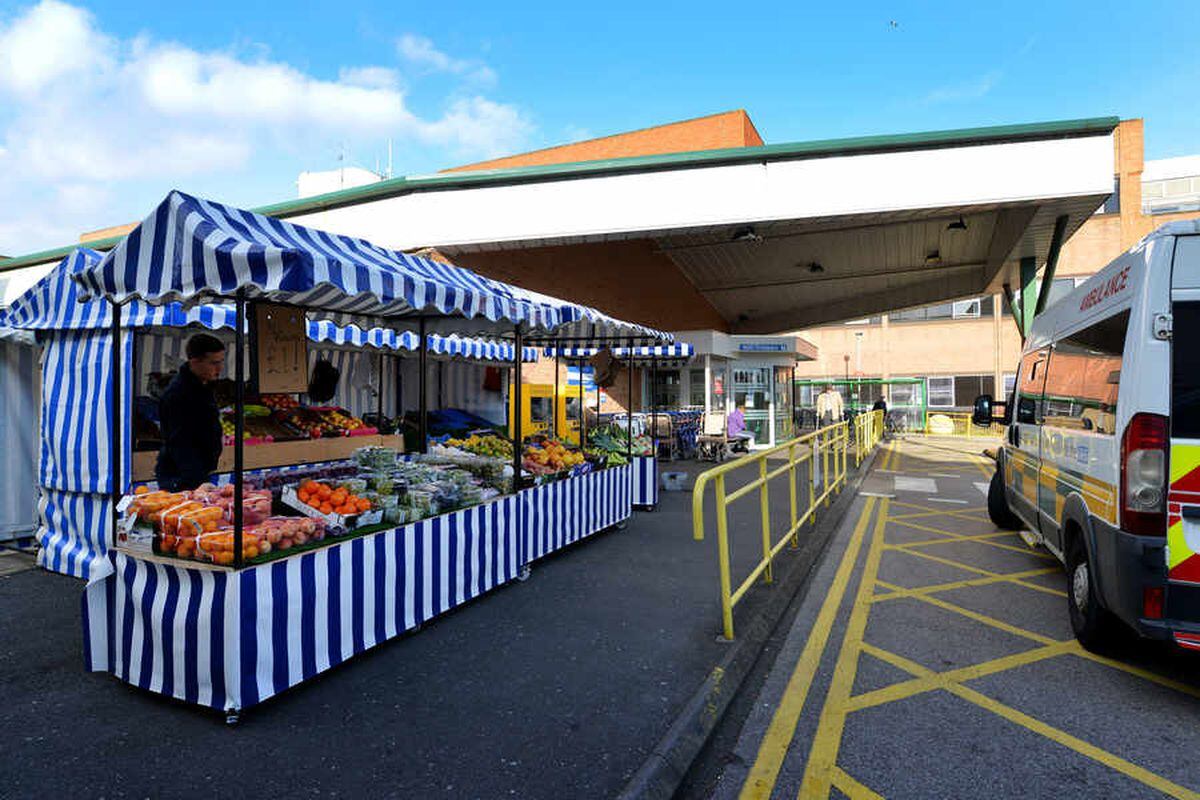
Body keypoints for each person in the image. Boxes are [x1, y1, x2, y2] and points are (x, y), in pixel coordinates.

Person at [155, 333, 226, 491]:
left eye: (221, 361)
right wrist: (198, 482)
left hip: (197, 471)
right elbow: (180, 442)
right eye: (214, 363)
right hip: (181, 477)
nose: (220, 368)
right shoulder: (178, 394)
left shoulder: (203, 386)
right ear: (195, 362)